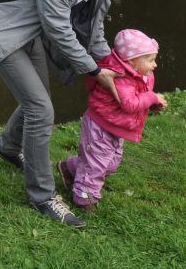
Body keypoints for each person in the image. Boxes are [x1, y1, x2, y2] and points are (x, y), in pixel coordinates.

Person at [0, 0, 142, 228]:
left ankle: (9, 148)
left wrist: (116, 68)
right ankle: (42, 196)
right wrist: (93, 70)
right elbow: (57, 27)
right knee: (40, 109)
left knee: (39, 101)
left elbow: (94, 32)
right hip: (2, 29)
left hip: (32, 33)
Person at [58, 29, 167, 210]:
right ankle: (84, 199)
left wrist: (151, 103)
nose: (154, 65)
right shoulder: (121, 77)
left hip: (116, 127)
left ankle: (70, 168)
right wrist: (152, 98)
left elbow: (140, 96)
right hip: (100, 127)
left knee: (111, 163)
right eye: (150, 60)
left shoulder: (141, 74)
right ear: (132, 61)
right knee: (96, 165)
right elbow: (129, 103)